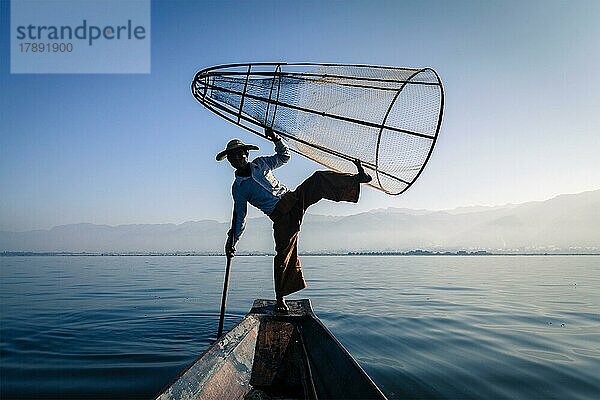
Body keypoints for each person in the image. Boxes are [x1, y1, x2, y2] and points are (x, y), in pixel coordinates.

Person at [216, 127, 371, 313]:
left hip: (293, 199)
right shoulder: (239, 187)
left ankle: (357, 179)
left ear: (246, 154)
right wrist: (232, 239)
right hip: (280, 216)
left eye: (240, 154)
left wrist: (276, 139)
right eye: (233, 158)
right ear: (230, 162)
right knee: (283, 255)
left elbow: (284, 157)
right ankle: (280, 298)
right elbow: (239, 216)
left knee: (318, 179)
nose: (237, 159)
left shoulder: (261, 164)